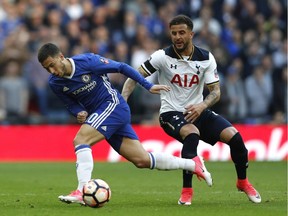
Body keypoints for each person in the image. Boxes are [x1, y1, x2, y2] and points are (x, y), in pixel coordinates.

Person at [37, 42, 213, 205]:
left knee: (81, 140)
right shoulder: (55, 83)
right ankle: (192, 164)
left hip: (113, 105)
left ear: (61, 56)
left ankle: (81, 190)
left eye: (52, 65)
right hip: (103, 115)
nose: (52, 71)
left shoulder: (88, 61)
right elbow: (70, 103)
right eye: (47, 69)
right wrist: (78, 112)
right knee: (142, 160)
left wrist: (147, 85)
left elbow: (121, 67)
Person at [122, 15, 261, 205]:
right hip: (170, 113)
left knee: (236, 139)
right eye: (173, 33)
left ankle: (242, 182)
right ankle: (187, 191)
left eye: (181, 33)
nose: (177, 37)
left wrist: (202, 105)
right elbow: (133, 76)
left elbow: (216, 92)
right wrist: (123, 100)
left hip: (198, 111)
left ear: (191, 34)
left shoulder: (206, 58)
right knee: (192, 134)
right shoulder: (162, 56)